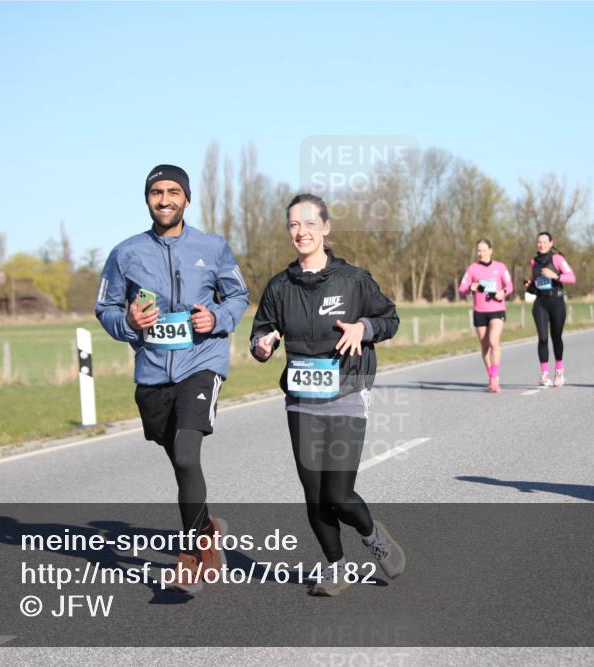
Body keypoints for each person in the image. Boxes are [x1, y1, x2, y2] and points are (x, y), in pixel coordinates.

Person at [96, 164, 249, 593]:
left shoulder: (212, 247)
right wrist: (127, 321)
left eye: (173, 192)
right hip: (152, 370)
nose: (164, 200)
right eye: (156, 193)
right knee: (181, 462)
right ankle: (208, 531)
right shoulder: (125, 253)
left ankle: (188, 557)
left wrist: (215, 317)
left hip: (202, 361)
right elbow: (104, 307)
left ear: (187, 198)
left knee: (186, 453)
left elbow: (238, 295)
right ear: (147, 199)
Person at [250, 193, 405, 597]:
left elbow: (390, 318)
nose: (300, 231)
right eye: (293, 225)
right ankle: (336, 566)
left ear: (326, 228)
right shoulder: (280, 286)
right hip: (301, 400)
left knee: (338, 493)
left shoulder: (353, 280)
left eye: (308, 223)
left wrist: (363, 329)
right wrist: (262, 345)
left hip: (347, 394)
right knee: (314, 496)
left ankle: (372, 535)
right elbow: (261, 331)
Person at [458, 239, 514, 392]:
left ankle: (495, 378)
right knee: (485, 346)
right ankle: (491, 376)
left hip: (497, 309)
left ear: (491, 250)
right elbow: (461, 288)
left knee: (493, 341)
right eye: (478, 251)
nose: (481, 253)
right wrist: (471, 287)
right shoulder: (472, 269)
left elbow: (509, 286)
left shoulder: (500, 267)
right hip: (480, 311)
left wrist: (503, 292)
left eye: (483, 250)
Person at [524, 232, 576, 387]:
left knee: (556, 337)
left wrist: (556, 276)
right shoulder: (534, 262)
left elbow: (572, 278)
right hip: (540, 302)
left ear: (551, 243)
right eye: (539, 242)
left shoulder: (558, 259)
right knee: (542, 338)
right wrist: (530, 285)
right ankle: (544, 374)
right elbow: (536, 282)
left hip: (556, 302)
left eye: (545, 242)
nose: (541, 245)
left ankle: (559, 371)